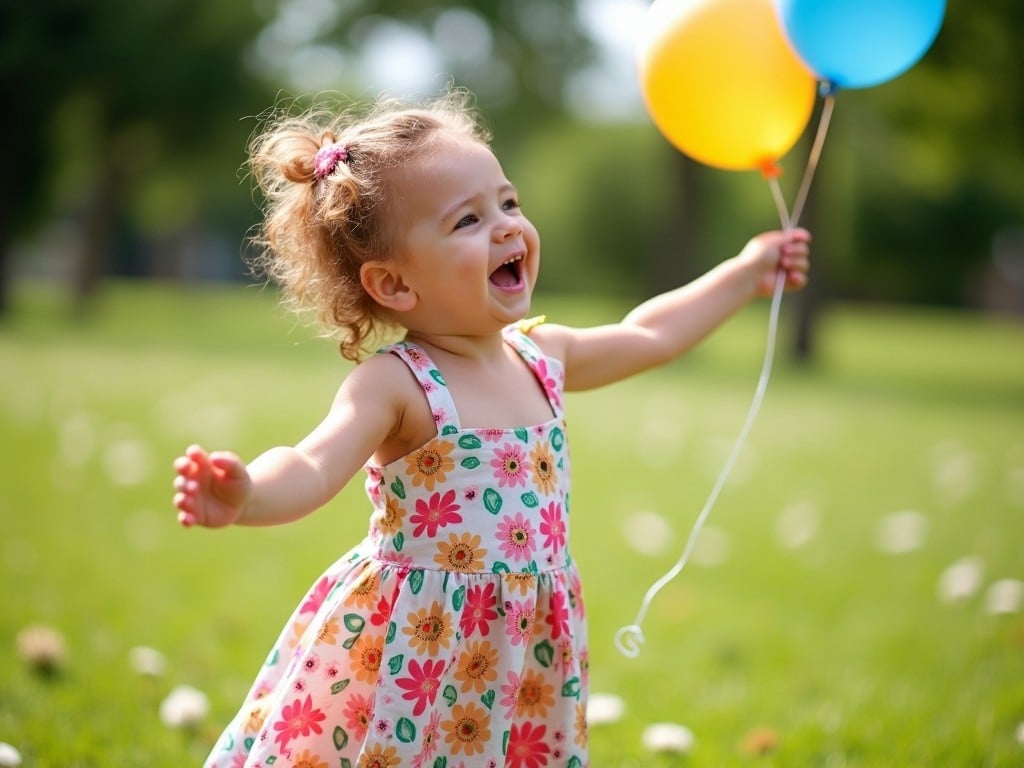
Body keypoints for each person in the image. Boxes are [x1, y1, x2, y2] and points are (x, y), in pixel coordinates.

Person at [172, 88, 810, 768]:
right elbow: (311, 464)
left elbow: (647, 333)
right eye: (467, 220)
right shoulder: (402, 384)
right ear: (394, 286)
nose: (507, 227)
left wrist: (743, 275)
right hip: (420, 646)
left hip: (523, 648)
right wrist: (247, 495)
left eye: (508, 202)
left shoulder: (545, 356)